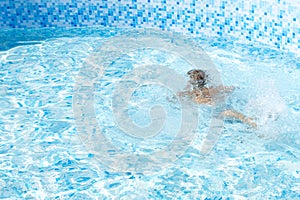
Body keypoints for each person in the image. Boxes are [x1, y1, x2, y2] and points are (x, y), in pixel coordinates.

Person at [178, 69, 257, 128]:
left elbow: (176, 99)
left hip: (209, 109)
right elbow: (230, 89)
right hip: (220, 104)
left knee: (224, 114)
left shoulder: (190, 93)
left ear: (191, 81)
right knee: (236, 114)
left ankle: (250, 122)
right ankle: (252, 120)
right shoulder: (214, 89)